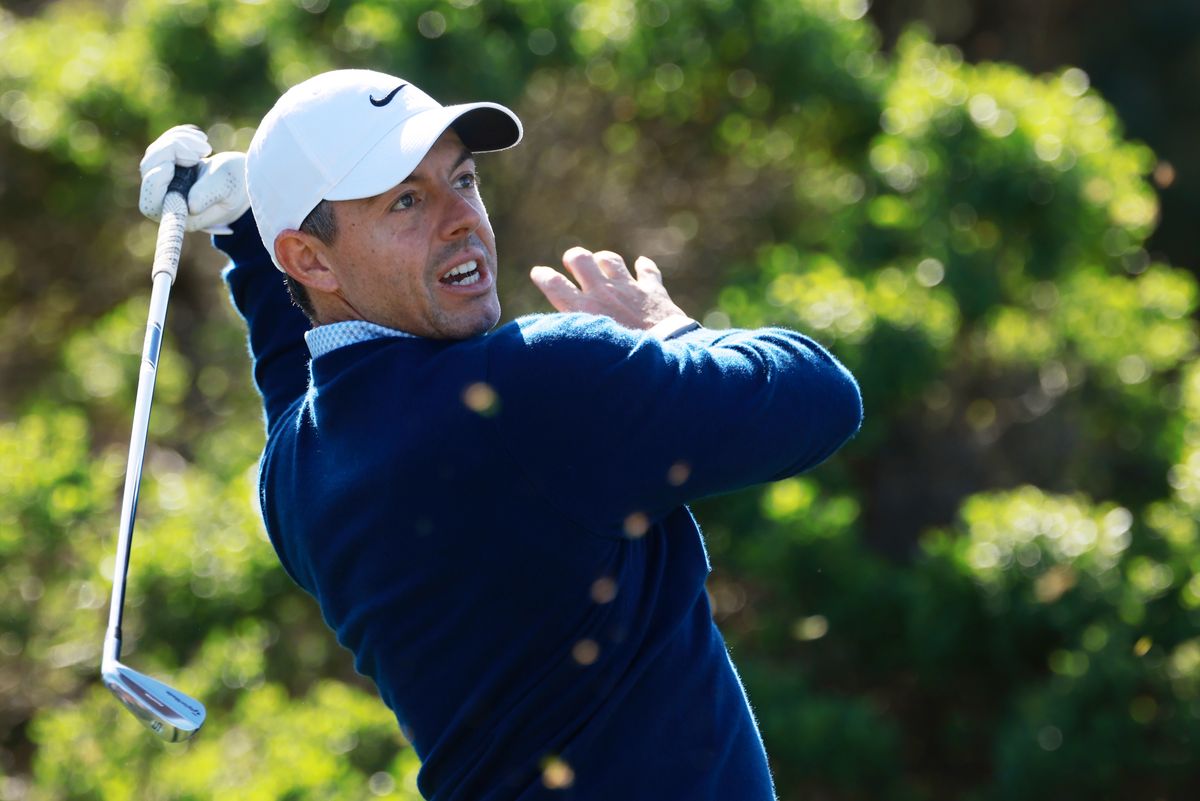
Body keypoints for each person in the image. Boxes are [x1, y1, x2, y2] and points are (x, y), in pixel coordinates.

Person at [139, 69, 863, 801]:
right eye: (407, 201)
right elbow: (822, 396)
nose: (463, 220)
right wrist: (668, 328)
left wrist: (243, 234)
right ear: (310, 258)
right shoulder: (535, 386)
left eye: (464, 178)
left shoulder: (296, 477)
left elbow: (294, 364)